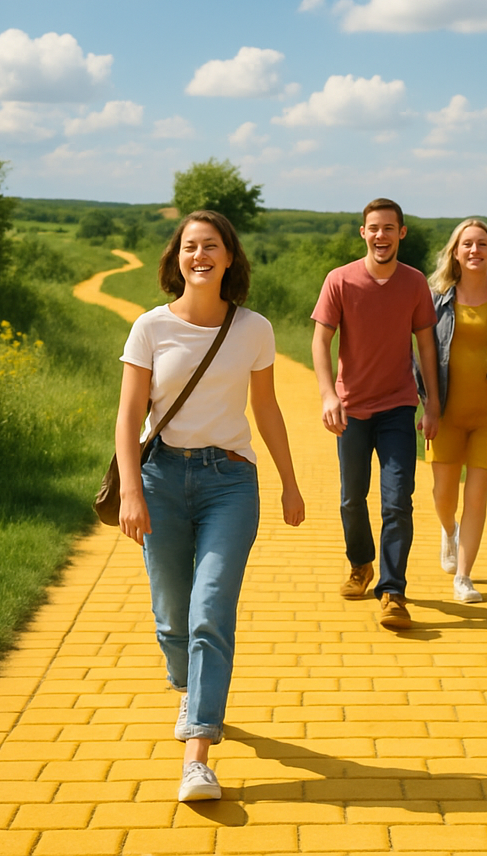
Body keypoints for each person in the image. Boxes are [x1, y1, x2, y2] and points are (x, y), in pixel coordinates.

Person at [115, 210, 305, 802]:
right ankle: (189, 687)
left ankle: (198, 750)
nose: (200, 255)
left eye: (211, 246)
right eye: (190, 247)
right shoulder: (149, 327)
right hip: (162, 480)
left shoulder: (253, 328)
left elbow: (267, 410)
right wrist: (130, 490)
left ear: (229, 258)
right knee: (172, 616)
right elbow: (128, 416)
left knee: (210, 609)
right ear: (177, 259)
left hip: (230, 482)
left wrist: (290, 482)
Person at [312, 198, 440, 630]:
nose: (381, 235)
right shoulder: (340, 280)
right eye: (373, 228)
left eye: (389, 228)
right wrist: (328, 395)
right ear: (362, 233)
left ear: (401, 232)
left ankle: (393, 590)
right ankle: (360, 563)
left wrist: (433, 404)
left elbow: (427, 346)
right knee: (352, 499)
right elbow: (320, 341)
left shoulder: (415, 283)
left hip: (398, 407)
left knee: (397, 499)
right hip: (350, 409)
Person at [423, 219, 487, 602]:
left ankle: (464, 577)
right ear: (455, 253)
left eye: (482, 244)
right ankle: (449, 531)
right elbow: (422, 357)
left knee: (477, 497)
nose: (475, 250)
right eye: (467, 244)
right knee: (444, 494)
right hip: (445, 415)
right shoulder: (435, 299)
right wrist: (426, 403)